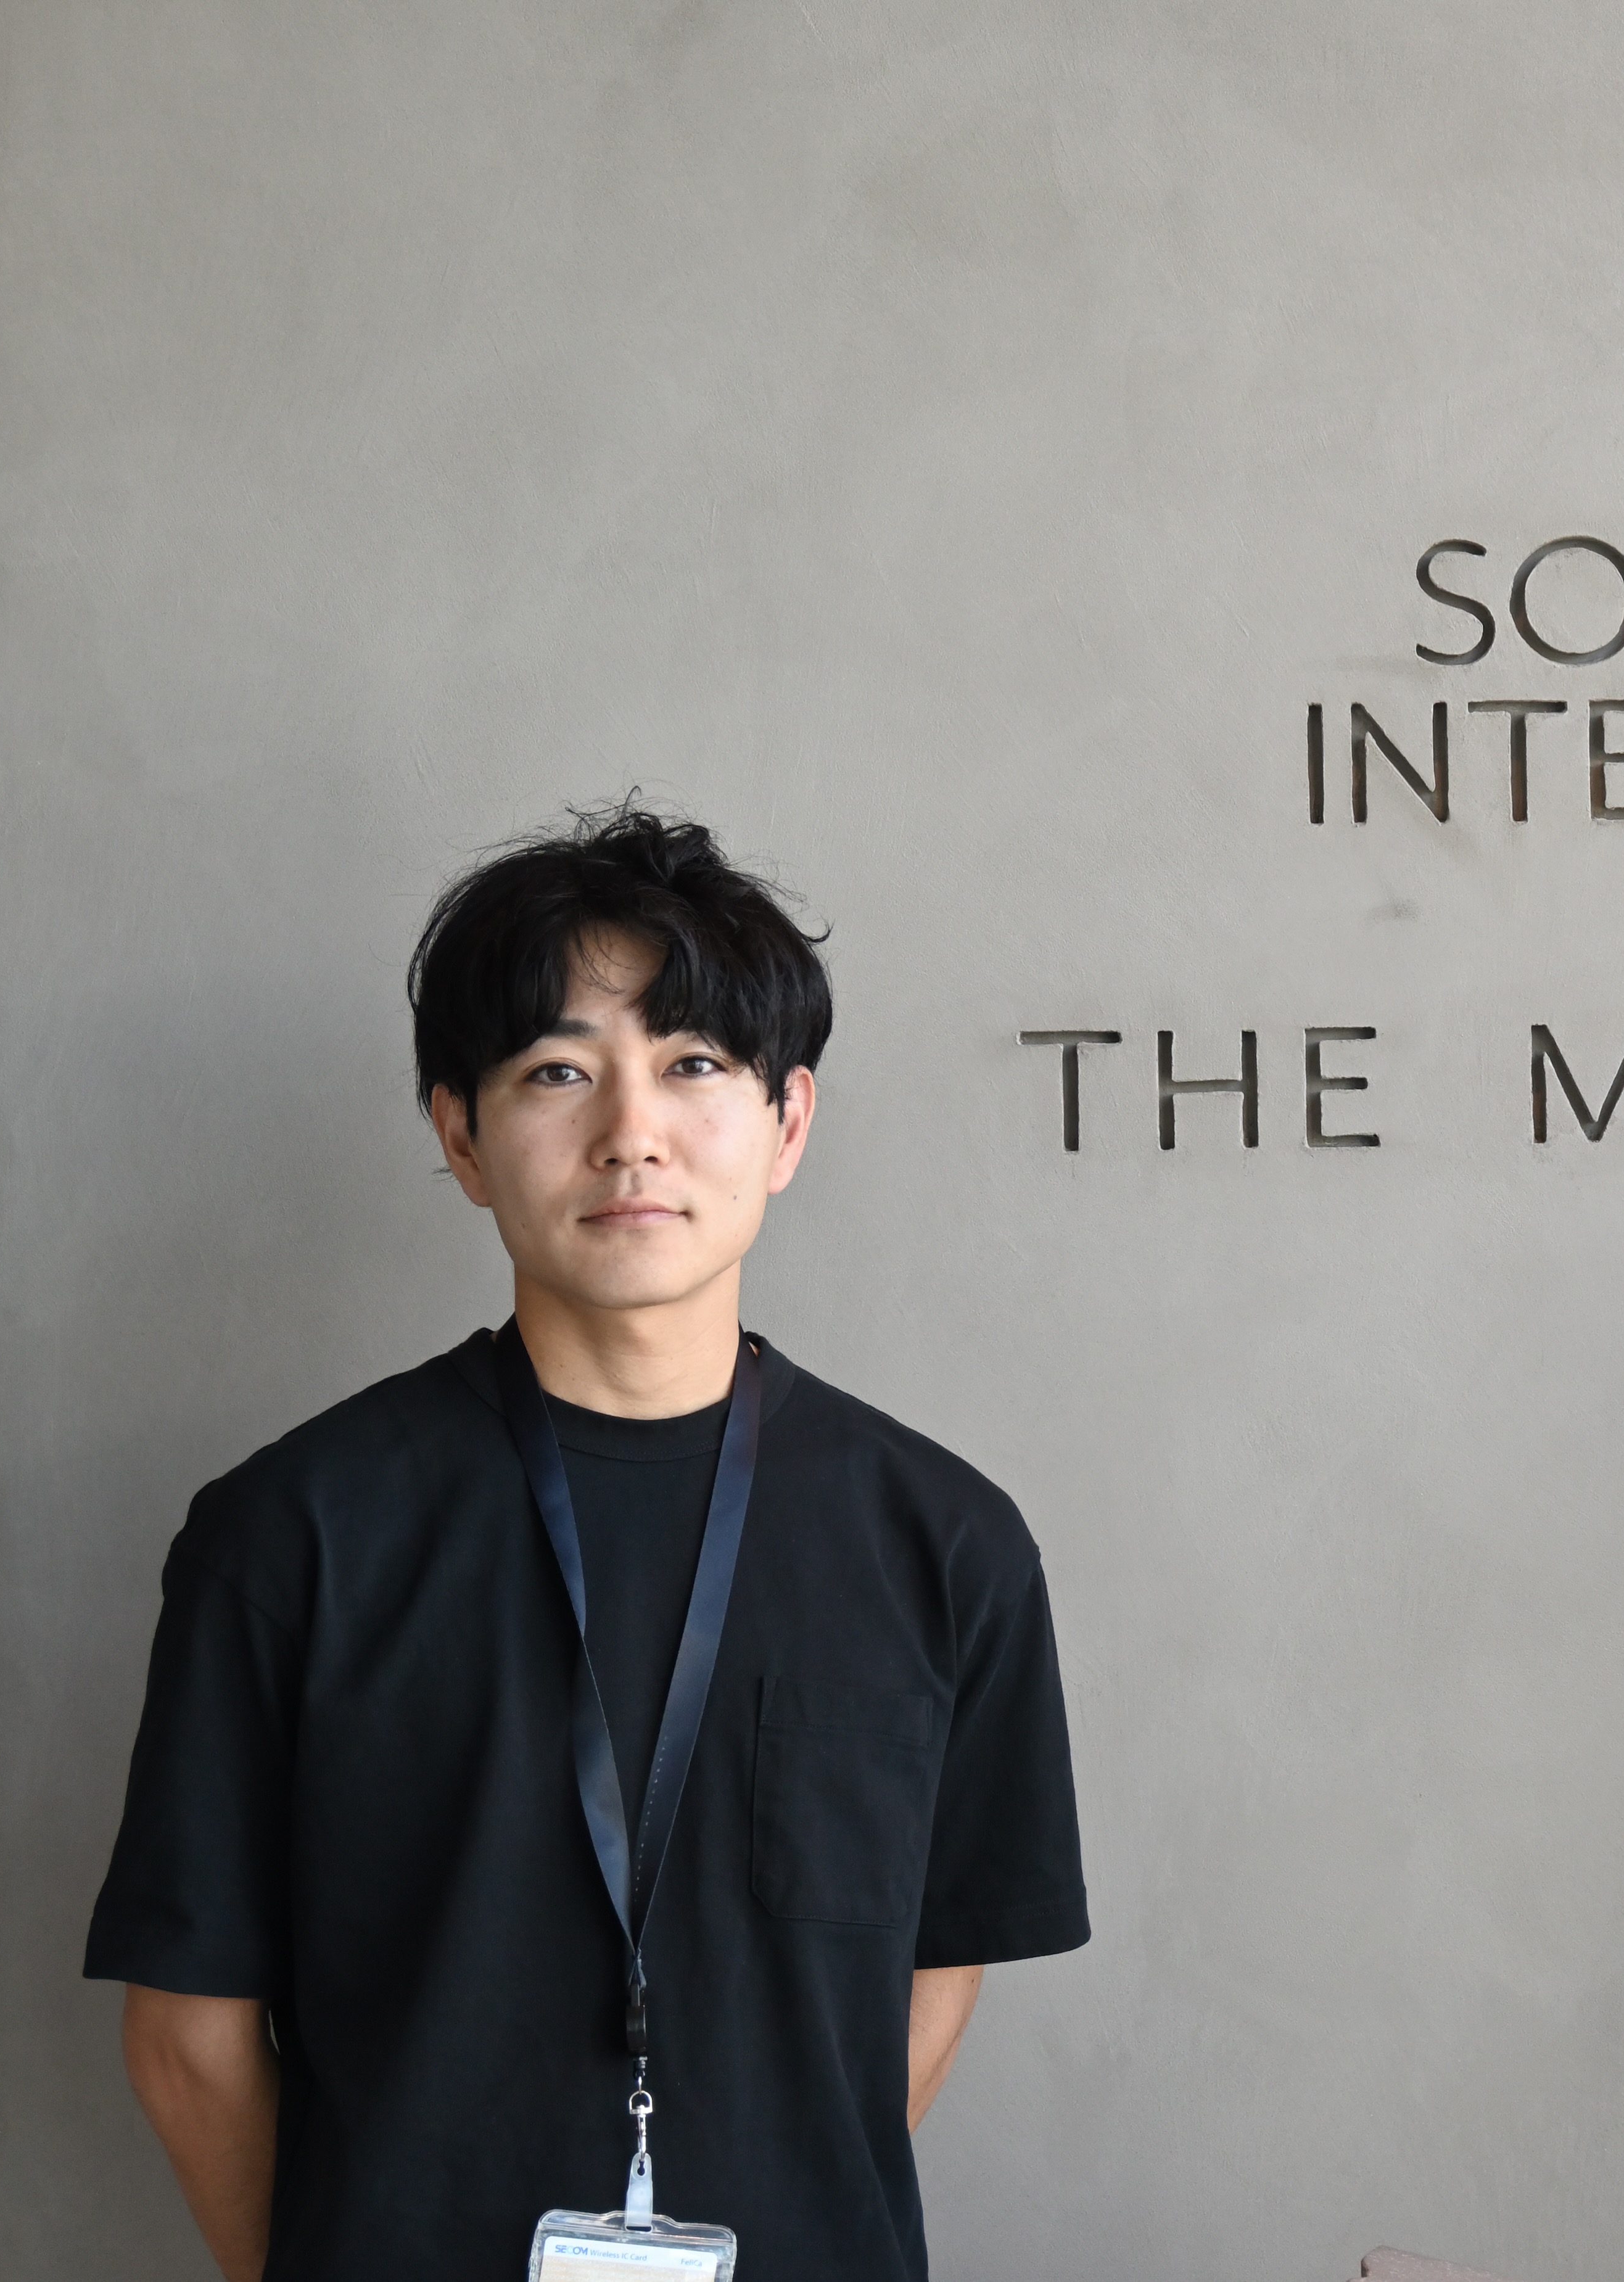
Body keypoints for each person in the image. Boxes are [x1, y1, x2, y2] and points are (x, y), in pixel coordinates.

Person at [86, 806, 1090, 2282]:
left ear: (788, 1123)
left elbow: (934, 1966)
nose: (632, 1133)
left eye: (694, 1064)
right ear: (461, 1135)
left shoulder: (946, 1542)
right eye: (558, 1070)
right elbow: (188, 2035)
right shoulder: (290, 1534)